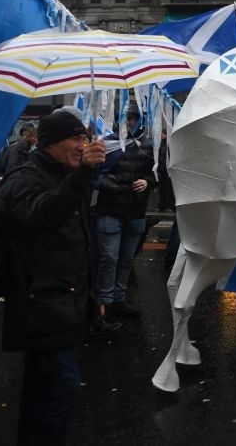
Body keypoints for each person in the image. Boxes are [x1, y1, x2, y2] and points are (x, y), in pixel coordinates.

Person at [0, 109, 106, 445]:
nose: (82, 145)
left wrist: (93, 297)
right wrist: (82, 175)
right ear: (50, 142)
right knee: (61, 390)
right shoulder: (25, 178)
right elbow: (44, 215)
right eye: (75, 138)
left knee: (40, 390)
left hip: (64, 305)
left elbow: (81, 245)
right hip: (40, 308)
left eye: (84, 138)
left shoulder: (65, 176)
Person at [92, 110, 155, 318]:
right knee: (109, 258)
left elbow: (156, 172)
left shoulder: (146, 144)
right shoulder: (105, 144)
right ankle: (106, 302)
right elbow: (95, 178)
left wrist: (147, 182)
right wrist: (122, 186)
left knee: (126, 258)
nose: (130, 123)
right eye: (128, 119)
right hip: (110, 210)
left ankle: (119, 298)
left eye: (134, 120)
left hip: (136, 211)